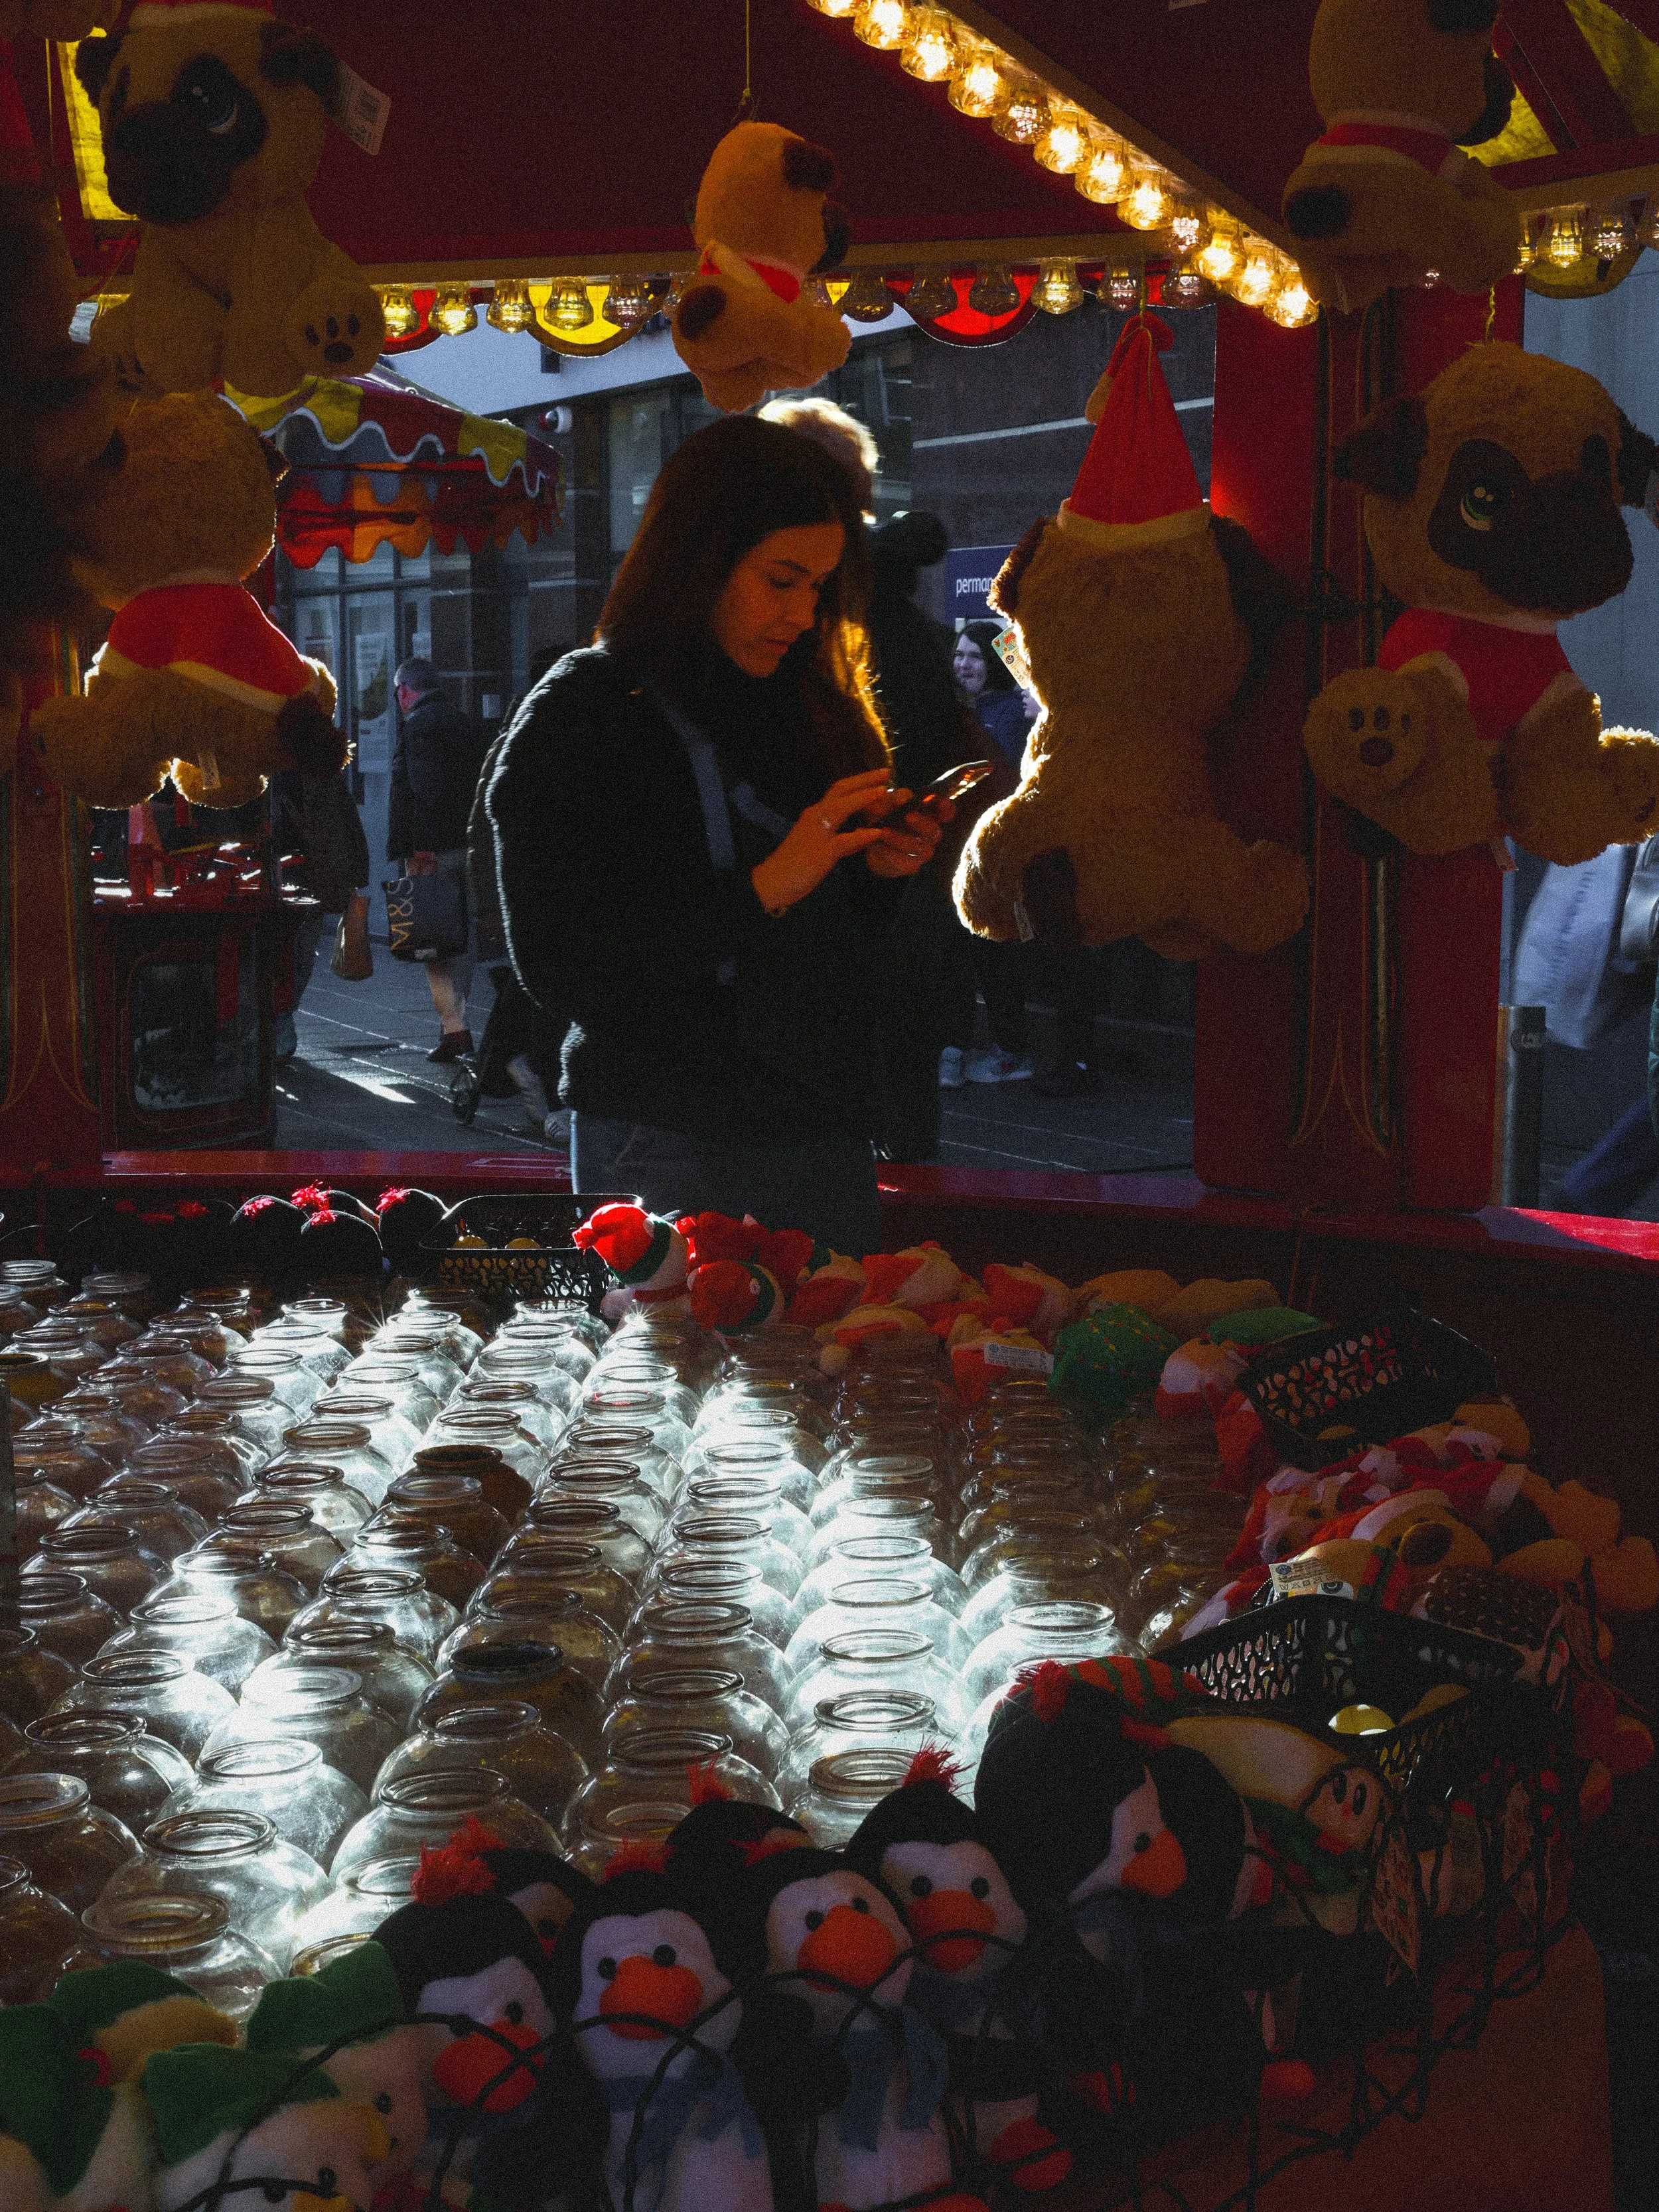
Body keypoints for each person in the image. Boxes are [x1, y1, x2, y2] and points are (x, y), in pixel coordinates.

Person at [486, 414, 944, 1253]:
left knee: (833, 1376)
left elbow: (832, 944)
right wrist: (771, 884)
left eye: (820, 586)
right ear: (698, 559)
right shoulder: (585, 711)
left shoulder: (815, 703)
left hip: (822, 1122)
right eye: (781, 580)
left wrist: (875, 872)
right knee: (669, 1381)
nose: (804, 615)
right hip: (661, 1129)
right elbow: (560, 966)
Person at [387, 656, 488, 1062]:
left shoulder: (418, 728)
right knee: (462, 939)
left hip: (432, 851)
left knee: (432, 945)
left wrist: (422, 847)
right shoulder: (466, 723)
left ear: (405, 691)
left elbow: (423, 789)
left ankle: (454, 1029)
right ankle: (457, 1023)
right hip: (468, 846)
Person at [269, 766, 370, 1060]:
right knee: (289, 950)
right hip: (278, 870)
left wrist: (357, 867)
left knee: (301, 950)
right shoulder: (269, 766)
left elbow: (346, 817)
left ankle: (283, 1015)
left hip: (311, 873)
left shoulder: (322, 770)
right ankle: (278, 1017)